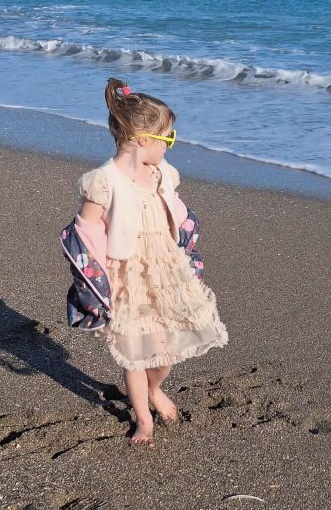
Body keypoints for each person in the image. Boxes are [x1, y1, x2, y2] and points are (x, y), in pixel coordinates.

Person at [75, 77, 229, 446]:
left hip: (166, 269)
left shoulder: (163, 174)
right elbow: (85, 228)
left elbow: (173, 213)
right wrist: (96, 280)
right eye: (169, 138)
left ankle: (155, 388)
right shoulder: (104, 182)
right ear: (144, 139)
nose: (171, 145)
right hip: (126, 274)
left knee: (168, 347)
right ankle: (143, 418)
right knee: (135, 354)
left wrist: (186, 243)